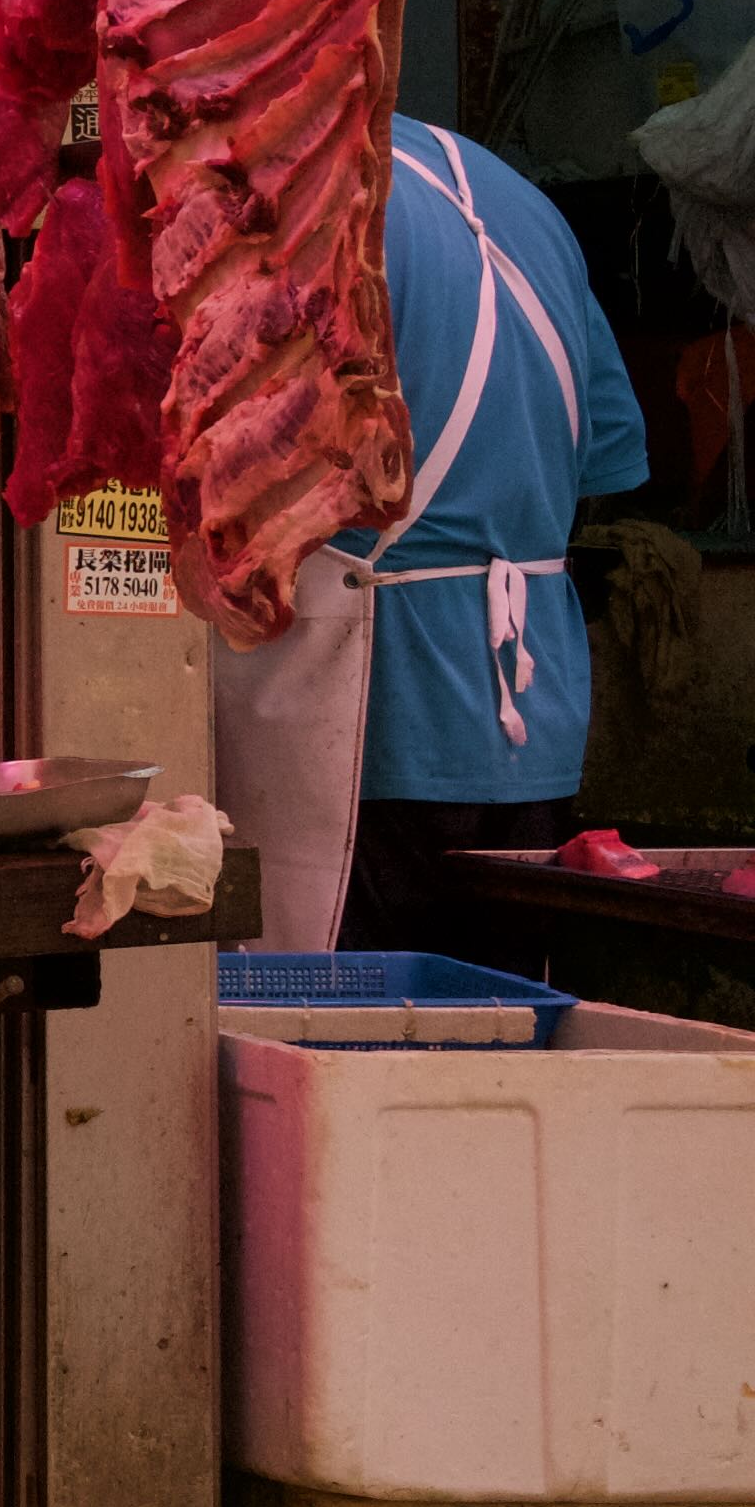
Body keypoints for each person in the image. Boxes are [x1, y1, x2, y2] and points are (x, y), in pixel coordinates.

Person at [211, 117, 644, 952]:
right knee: (498, 1038)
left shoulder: (296, 188)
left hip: (370, 726)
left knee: (331, 1052)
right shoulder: (523, 201)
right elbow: (610, 458)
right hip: (532, 729)